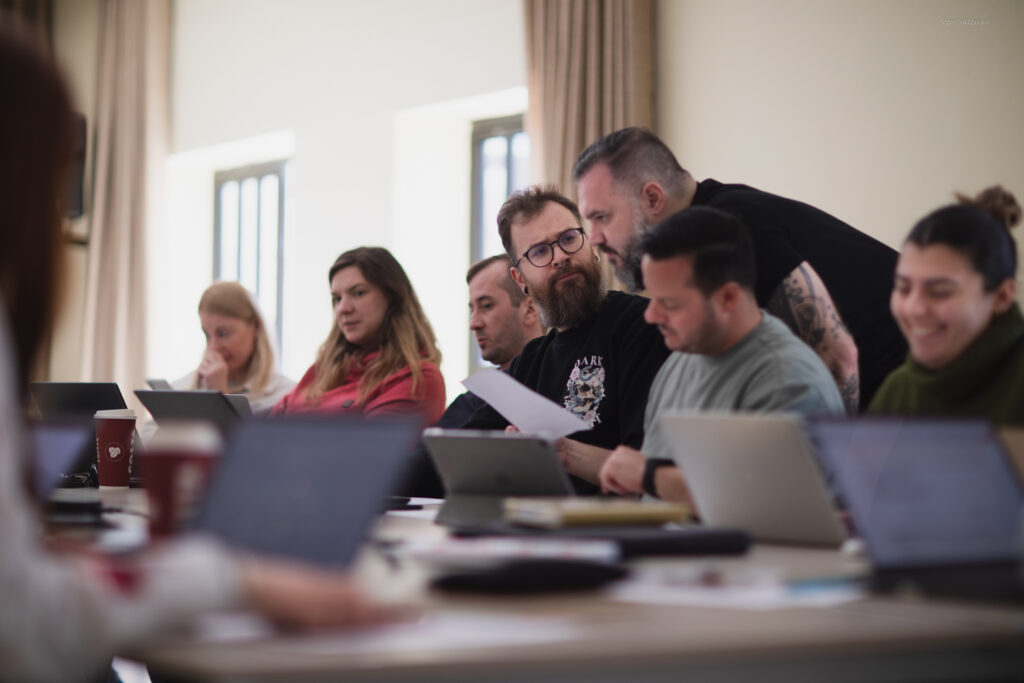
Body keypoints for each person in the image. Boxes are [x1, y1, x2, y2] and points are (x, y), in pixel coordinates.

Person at [0, 25, 389, 683]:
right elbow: (28, 620)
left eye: (225, 333)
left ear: (254, 330)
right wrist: (229, 578)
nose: (214, 345)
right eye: (207, 332)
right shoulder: (198, 381)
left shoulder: (285, 386)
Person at [573, 127, 907, 414]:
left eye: (602, 217)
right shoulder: (713, 223)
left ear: (652, 198)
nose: (595, 238)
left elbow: (838, 356)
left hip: (909, 399)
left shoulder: (736, 230)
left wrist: (841, 460)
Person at [598, 207, 845, 505]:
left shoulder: (789, 382)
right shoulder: (679, 360)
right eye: (651, 298)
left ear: (727, 297)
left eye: (669, 303)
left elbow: (766, 508)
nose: (650, 316)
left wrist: (649, 476)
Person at [462, 185, 670, 494]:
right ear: (520, 279)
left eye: (569, 239)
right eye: (539, 252)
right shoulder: (530, 362)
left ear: (590, 244)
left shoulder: (643, 326)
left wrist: (563, 452)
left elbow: (649, 472)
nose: (560, 256)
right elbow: (465, 452)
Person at [869, 186, 1024, 424]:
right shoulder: (897, 390)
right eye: (904, 288)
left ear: (1001, 297)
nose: (914, 308)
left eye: (940, 292)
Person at [400, 255, 545, 498]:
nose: (474, 323)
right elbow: (420, 468)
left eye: (486, 306)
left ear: (530, 309)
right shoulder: (475, 400)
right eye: (472, 309)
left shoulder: (564, 385)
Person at [272, 246, 445, 423]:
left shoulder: (418, 378)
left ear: (392, 297)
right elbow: (270, 427)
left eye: (358, 293)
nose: (343, 308)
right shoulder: (324, 369)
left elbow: (369, 441)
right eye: (337, 298)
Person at [175, 281, 295, 414]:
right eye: (207, 335)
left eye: (223, 334)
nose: (213, 347)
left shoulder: (285, 397)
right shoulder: (181, 389)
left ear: (255, 326)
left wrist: (218, 397)